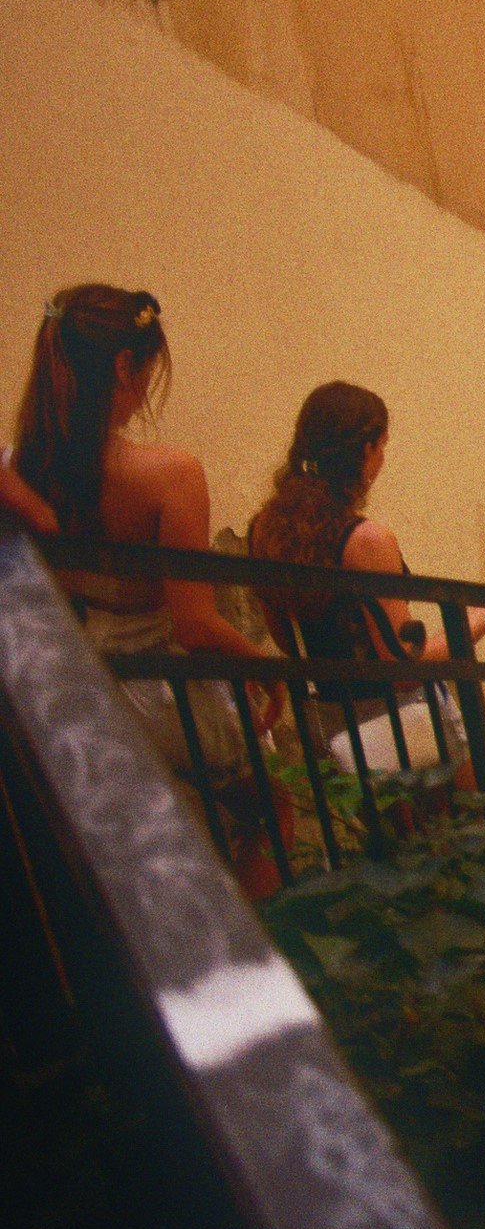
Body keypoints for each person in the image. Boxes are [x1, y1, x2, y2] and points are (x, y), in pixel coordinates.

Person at [9, 285, 287, 896]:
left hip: (86, 688)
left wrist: (41, 515)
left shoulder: (20, 469)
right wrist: (266, 668)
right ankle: (266, 945)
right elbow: (194, 624)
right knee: (273, 804)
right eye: (147, 372)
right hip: (165, 694)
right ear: (121, 367)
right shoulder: (169, 474)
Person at [249, 381, 485, 786]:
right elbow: (402, 661)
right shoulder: (366, 540)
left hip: (330, 721)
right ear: (364, 449)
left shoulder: (266, 529)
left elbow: (285, 637)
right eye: (382, 446)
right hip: (399, 718)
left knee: (393, 843)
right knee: (469, 828)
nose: (383, 459)